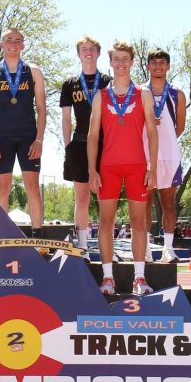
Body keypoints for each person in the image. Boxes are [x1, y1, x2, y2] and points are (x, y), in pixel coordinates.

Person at [87, 40, 158, 296]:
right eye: (116, 59)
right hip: (108, 166)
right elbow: (93, 135)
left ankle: (139, 278)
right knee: (106, 222)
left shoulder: (143, 94)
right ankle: (108, 278)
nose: (120, 63)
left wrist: (152, 167)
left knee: (139, 222)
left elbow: (152, 132)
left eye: (125, 59)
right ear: (110, 62)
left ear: (132, 62)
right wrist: (92, 171)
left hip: (137, 165)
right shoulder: (101, 96)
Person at [0, 28, 46, 236]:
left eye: (18, 40)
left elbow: (41, 108)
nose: (13, 44)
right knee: (2, 188)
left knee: (32, 187)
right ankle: (0, 236)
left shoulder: (33, 71)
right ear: (1, 44)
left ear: (23, 45)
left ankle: (38, 236)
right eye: (9, 40)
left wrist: (39, 140)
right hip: (2, 138)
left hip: (29, 138)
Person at [60, 36, 112, 254]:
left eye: (92, 49)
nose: (88, 52)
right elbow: (66, 118)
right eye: (84, 49)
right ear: (78, 54)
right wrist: (68, 146)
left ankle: (107, 247)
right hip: (79, 144)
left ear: (98, 53)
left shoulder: (108, 82)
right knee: (81, 199)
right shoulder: (69, 84)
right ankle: (82, 247)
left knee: (105, 199)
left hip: (105, 146)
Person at [141, 49, 186, 264]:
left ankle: (168, 249)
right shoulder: (139, 92)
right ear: (148, 66)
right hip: (145, 156)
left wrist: (164, 142)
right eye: (154, 62)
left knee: (168, 203)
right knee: (144, 203)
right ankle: (145, 249)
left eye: (162, 62)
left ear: (168, 66)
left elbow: (180, 127)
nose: (158, 66)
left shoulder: (177, 94)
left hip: (169, 156)